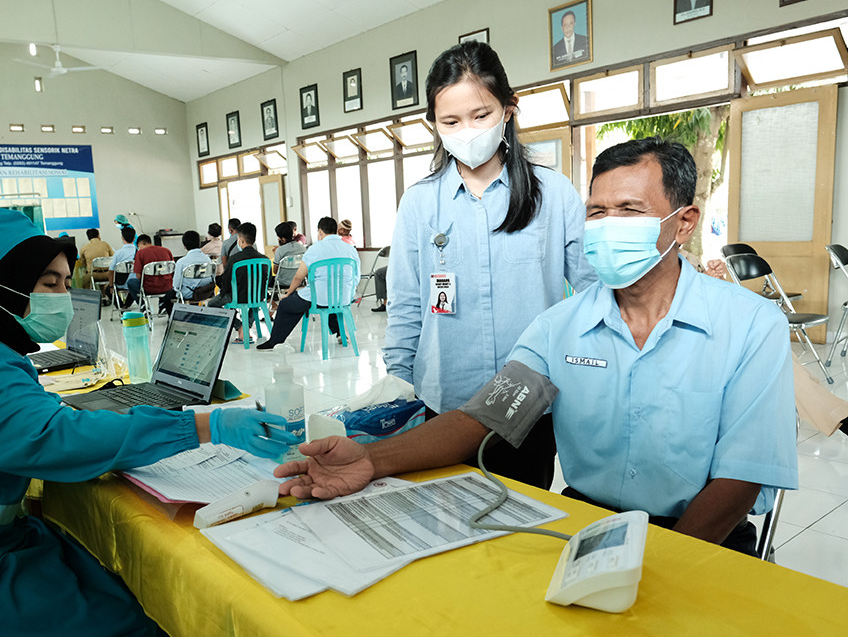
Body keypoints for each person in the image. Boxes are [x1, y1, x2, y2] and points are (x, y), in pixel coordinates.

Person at [276, 137, 798, 557]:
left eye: (630, 210)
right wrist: (372, 459)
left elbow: (743, 476)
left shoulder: (750, 326)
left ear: (684, 221)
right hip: (585, 527)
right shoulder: (558, 328)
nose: (607, 226)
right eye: (596, 212)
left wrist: (659, 565)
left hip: (705, 540)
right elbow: (484, 417)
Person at [0, 208, 295, 637]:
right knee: (131, 627)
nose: (64, 297)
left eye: (63, 281)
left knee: (101, 574)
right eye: (49, 284)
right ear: (3, 285)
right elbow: (59, 438)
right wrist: (202, 426)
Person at [384, 41, 595, 488]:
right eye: (451, 121)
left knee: (522, 525)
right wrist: (398, 384)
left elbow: (594, 291)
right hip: (444, 401)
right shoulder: (420, 203)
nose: (467, 130)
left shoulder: (553, 195)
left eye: (481, 115)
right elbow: (405, 305)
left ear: (508, 110)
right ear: (434, 125)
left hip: (528, 404)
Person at [256, 217, 359, 350]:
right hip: (343, 298)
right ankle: (340, 333)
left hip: (320, 298)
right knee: (330, 298)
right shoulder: (350, 249)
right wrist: (349, 293)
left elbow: (299, 277)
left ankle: (274, 341)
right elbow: (356, 276)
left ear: (320, 231)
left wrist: (289, 293)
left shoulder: (315, 249)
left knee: (287, 304)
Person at [209, 223, 268, 343]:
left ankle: (239, 325)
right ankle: (246, 326)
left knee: (211, 305)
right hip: (258, 297)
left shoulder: (234, 259)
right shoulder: (265, 259)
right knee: (254, 303)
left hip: (237, 297)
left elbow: (225, 284)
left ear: (240, 240)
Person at [125, 234, 175, 313]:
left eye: (138, 246)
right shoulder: (166, 251)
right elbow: (173, 270)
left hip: (149, 288)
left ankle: (143, 305)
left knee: (131, 282)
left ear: (142, 244)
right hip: (167, 287)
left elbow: (138, 275)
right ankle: (162, 304)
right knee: (161, 279)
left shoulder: (140, 253)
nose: (138, 249)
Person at [174, 231, 215, 304]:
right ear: (199, 243)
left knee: (167, 298)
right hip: (206, 292)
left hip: (189, 294)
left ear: (184, 245)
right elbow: (213, 278)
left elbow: (176, 285)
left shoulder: (181, 262)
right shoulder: (208, 260)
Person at [272, 222, 306, 292]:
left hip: (282, 283)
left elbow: (275, 271)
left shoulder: (279, 250)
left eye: (278, 237)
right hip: (299, 282)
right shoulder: (302, 248)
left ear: (283, 239)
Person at [77, 228, 114, 293]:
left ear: (88, 238)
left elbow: (83, 263)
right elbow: (113, 257)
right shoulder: (105, 244)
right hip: (108, 274)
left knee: (85, 281)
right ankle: (106, 297)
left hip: (93, 275)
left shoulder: (84, 247)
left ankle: (89, 300)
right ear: (98, 236)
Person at [110, 225, 137, 304]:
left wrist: (111, 286)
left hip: (121, 283)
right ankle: (127, 304)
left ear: (122, 237)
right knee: (134, 287)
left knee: (107, 289)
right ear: (134, 238)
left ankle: (121, 306)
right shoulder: (139, 252)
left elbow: (111, 271)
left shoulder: (118, 253)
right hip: (136, 283)